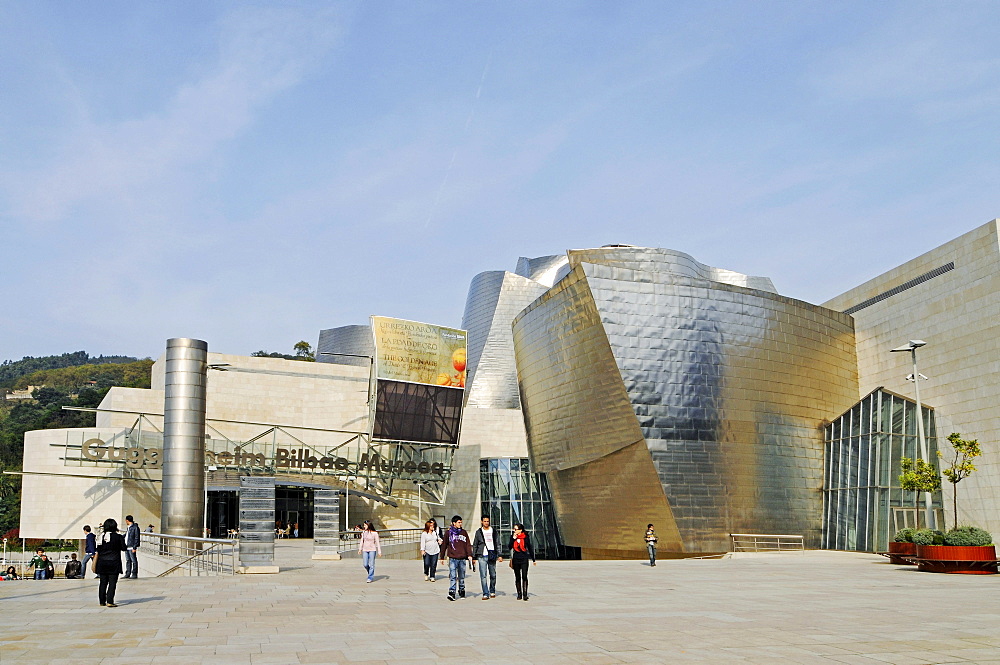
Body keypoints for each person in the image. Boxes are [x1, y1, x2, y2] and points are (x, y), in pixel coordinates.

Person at [95, 518, 127, 607]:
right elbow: (124, 548)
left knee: (103, 582)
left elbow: (98, 549)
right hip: (114, 562)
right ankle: (110, 601)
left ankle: (102, 601)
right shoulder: (118, 537)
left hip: (102, 562)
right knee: (112, 583)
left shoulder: (100, 537)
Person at [443, 515, 474, 601]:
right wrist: (442, 557)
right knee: (453, 576)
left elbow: (467, 544)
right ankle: (452, 592)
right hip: (452, 557)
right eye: (458, 522)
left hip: (462, 558)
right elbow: (444, 545)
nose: (460, 524)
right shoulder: (448, 533)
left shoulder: (463, 532)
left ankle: (462, 590)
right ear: (454, 523)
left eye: (461, 522)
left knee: (461, 576)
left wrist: (470, 555)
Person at [472, 516, 503, 599]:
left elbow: (498, 543)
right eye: (485, 521)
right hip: (482, 556)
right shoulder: (478, 532)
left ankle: (492, 590)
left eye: (487, 521)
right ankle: (485, 593)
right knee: (483, 575)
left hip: (492, 555)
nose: (486, 523)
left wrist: (499, 555)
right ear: (481, 522)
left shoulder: (493, 531)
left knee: (493, 575)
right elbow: (475, 544)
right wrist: (474, 557)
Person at [508, 523, 536, 601]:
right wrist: (513, 539)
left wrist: (533, 559)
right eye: (514, 529)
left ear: (520, 530)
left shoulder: (525, 537)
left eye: (516, 529)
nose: (514, 530)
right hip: (516, 558)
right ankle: (519, 594)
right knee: (517, 577)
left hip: (524, 558)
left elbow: (529, 548)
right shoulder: (512, 537)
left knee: (524, 576)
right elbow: (509, 547)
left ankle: (525, 594)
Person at [124, 515, 140, 579]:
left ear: (127, 520)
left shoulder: (135, 527)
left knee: (133, 560)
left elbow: (137, 537)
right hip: (126, 546)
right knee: (128, 560)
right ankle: (128, 573)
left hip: (131, 546)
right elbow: (127, 535)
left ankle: (134, 573)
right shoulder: (129, 527)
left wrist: (135, 547)